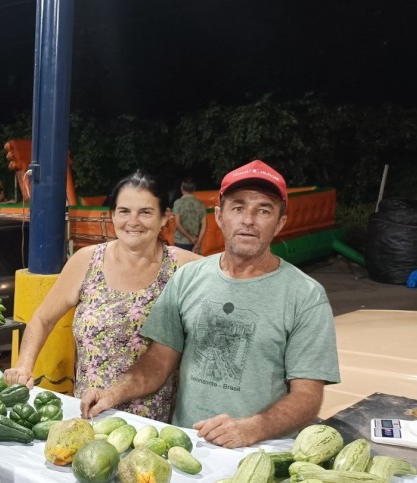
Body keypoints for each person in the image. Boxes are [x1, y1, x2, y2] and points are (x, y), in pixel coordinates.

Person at [80, 160, 340, 448]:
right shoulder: (187, 279)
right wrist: (112, 393)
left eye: (263, 210)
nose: (248, 220)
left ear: (279, 222)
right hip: (189, 445)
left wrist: (251, 428)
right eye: (238, 207)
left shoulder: (305, 295)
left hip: (261, 451)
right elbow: (157, 362)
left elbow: (308, 396)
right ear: (219, 216)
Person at [3, 171, 202, 422]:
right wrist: (23, 365)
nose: (133, 221)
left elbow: (230, 273)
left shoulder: (183, 267)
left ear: (165, 218)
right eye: (124, 211)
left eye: (146, 212)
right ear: (112, 216)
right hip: (90, 413)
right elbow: (42, 319)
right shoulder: (87, 261)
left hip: (152, 425)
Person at [171, 178, 207, 253]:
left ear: (181, 188)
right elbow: (204, 225)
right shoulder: (201, 204)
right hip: (195, 242)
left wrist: (190, 238)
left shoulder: (178, 203)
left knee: (180, 264)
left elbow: (178, 224)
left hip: (181, 242)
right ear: (194, 189)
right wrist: (198, 243)